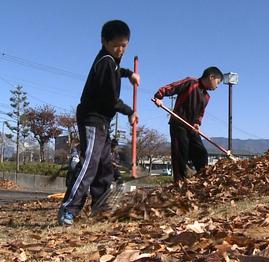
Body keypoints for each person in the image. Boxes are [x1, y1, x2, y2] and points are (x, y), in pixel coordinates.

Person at [58, 20, 139, 226]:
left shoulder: (110, 60)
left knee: (104, 167)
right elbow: (110, 100)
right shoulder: (105, 62)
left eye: (124, 45)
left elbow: (116, 71)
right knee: (90, 164)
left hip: (102, 120)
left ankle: (100, 206)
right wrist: (130, 112)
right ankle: (69, 208)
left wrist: (129, 74)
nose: (120, 50)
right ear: (104, 41)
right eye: (116, 46)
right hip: (92, 118)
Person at [153, 67, 223, 182]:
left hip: (191, 127)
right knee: (181, 152)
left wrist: (197, 123)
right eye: (218, 82)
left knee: (201, 152)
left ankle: (203, 179)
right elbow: (173, 87)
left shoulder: (206, 97)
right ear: (211, 77)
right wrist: (159, 96)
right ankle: (179, 182)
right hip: (178, 123)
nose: (217, 86)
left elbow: (201, 113)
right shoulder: (191, 83)